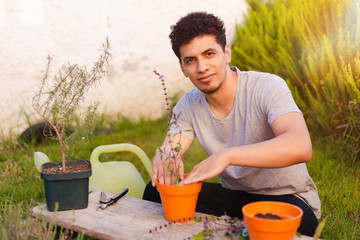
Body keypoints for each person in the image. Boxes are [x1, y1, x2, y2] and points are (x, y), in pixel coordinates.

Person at [143, 11, 321, 236]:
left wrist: (226, 156)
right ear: (183, 68)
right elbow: (173, 147)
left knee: (301, 226)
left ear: (226, 53)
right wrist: (166, 154)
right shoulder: (188, 105)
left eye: (209, 54)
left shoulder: (267, 87)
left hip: (286, 199)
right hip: (235, 199)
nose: (202, 67)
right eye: (191, 60)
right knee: (155, 192)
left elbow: (300, 146)